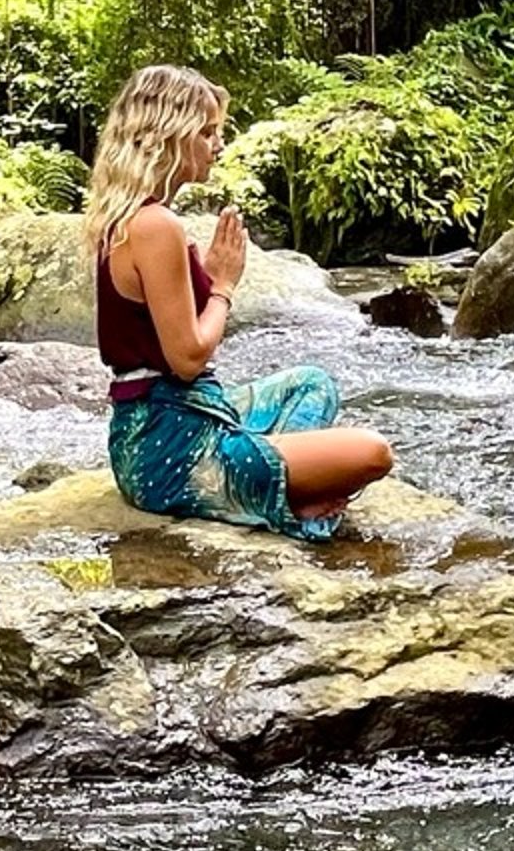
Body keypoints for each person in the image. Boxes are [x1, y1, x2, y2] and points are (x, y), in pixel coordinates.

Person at [86, 64, 393, 540]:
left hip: (163, 427)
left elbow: (160, 334)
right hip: (173, 448)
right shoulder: (155, 226)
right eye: (207, 132)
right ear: (169, 134)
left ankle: (266, 472)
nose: (219, 145)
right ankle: (283, 494)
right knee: (373, 453)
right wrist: (224, 285)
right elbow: (187, 358)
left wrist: (205, 276)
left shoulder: (128, 219)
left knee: (312, 385)